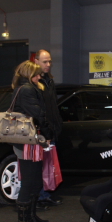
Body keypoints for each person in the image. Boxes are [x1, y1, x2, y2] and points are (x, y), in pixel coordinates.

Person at [11, 60, 53, 222]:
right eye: (36, 75)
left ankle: (31, 217)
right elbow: (38, 114)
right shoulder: (28, 90)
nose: (39, 77)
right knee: (29, 181)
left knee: (34, 180)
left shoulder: (23, 88)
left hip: (27, 141)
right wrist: (48, 135)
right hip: (27, 142)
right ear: (29, 75)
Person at [34, 49, 64, 208]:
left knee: (48, 166)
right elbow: (38, 112)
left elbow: (53, 107)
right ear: (36, 61)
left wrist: (56, 126)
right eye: (45, 61)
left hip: (51, 130)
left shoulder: (49, 81)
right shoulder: (34, 84)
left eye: (50, 61)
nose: (48, 64)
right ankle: (38, 197)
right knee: (40, 166)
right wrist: (45, 132)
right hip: (41, 132)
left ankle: (44, 195)